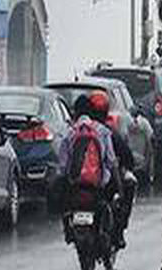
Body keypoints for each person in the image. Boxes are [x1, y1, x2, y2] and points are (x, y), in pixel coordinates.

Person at [56, 91, 132, 248]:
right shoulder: (103, 132)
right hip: (98, 185)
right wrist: (119, 189)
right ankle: (118, 235)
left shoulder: (70, 133)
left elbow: (63, 167)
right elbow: (112, 162)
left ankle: (68, 229)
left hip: (75, 186)